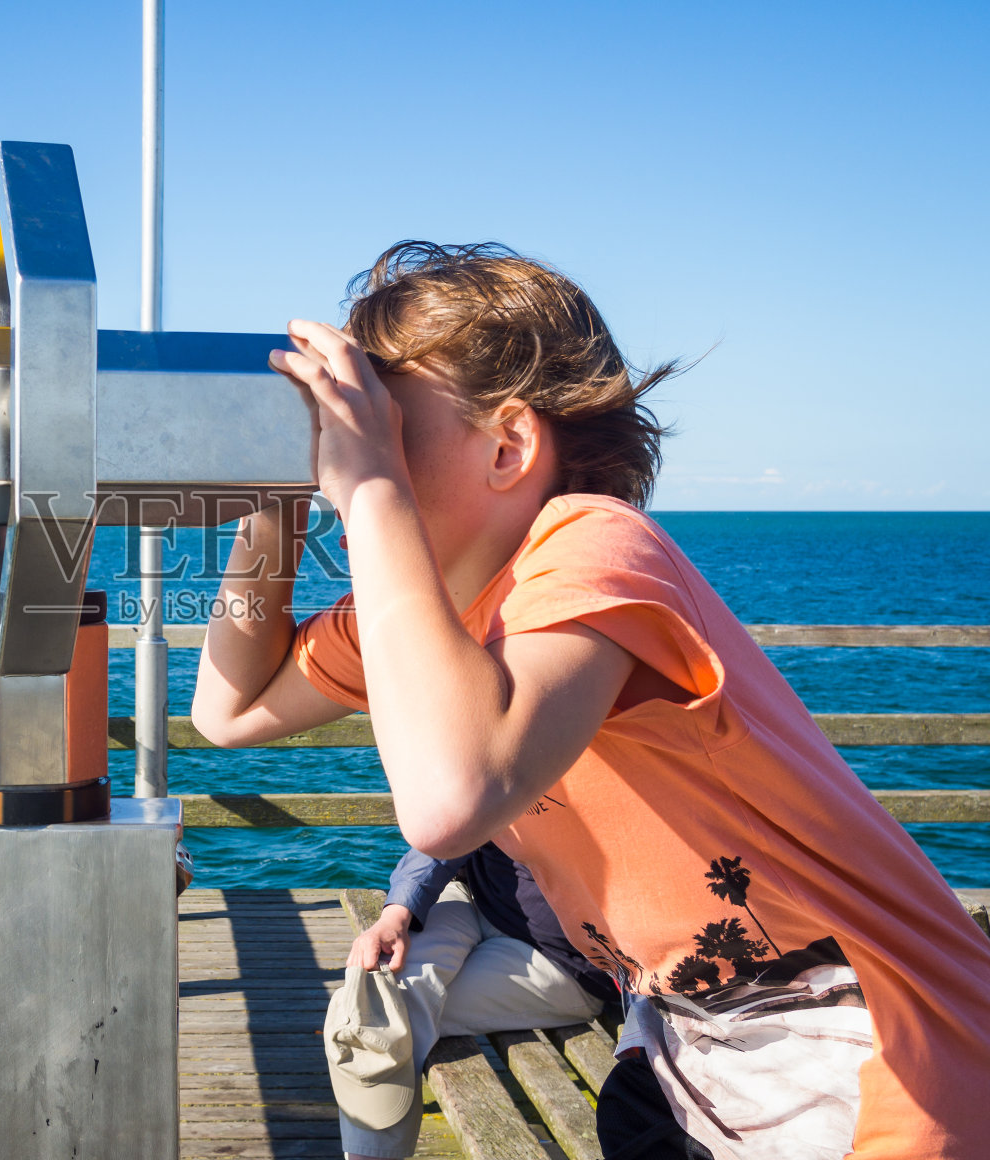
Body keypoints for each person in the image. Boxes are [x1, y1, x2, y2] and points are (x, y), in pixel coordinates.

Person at [191, 242, 990, 1160]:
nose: (348, 447)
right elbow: (229, 710)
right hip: (696, 1054)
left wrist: (371, 491)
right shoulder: (420, 614)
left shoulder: (593, 543)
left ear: (509, 445)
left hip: (884, 1056)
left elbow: (451, 800)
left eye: (385, 423)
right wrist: (272, 502)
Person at [339, 841, 616, 1159]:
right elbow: (449, 828)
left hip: (562, 956)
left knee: (381, 1014)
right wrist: (396, 913)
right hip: (475, 893)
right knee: (367, 1000)